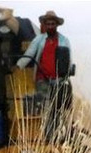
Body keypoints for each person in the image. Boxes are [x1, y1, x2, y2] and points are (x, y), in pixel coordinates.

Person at [16, 11, 73, 141]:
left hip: (59, 80)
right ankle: (46, 136)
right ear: (45, 25)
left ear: (57, 25)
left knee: (58, 108)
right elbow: (29, 54)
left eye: (53, 24)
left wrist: (69, 70)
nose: (50, 26)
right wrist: (18, 66)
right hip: (43, 79)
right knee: (47, 104)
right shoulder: (39, 40)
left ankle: (55, 133)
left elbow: (68, 60)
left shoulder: (64, 41)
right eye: (48, 24)